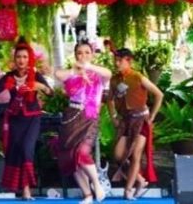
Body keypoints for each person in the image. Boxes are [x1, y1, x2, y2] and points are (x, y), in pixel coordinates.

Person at [0, 38, 53, 201]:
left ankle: (27, 188)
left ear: (29, 59)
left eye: (24, 57)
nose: (21, 60)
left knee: (26, 149)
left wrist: (41, 86)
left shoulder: (35, 76)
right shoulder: (8, 77)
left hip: (32, 118)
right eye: (18, 57)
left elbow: (51, 93)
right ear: (14, 59)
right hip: (15, 119)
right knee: (16, 152)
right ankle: (25, 190)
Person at [54, 40, 111, 204]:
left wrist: (89, 67)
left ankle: (96, 184)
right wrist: (76, 70)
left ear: (92, 55)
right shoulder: (71, 73)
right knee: (71, 157)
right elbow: (58, 75)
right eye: (80, 53)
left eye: (87, 52)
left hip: (90, 116)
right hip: (72, 116)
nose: (83, 56)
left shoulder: (98, 74)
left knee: (82, 152)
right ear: (75, 55)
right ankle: (87, 195)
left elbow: (108, 74)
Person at [106, 48, 162, 201]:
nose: (116, 63)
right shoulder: (114, 79)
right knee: (118, 155)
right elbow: (109, 100)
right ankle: (140, 180)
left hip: (141, 120)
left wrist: (152, 116)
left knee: (136, 154)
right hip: (125, 121)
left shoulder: (138, 77)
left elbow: (159, 94)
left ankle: (128, 190)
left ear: (129, 61)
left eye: (120, 60)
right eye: (115, 60)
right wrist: (114, 117)